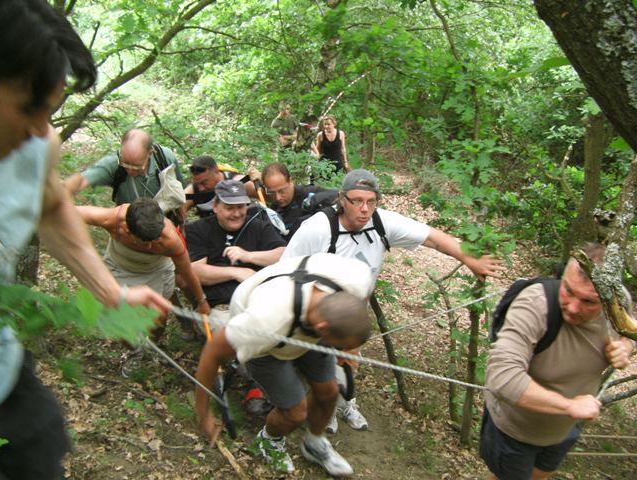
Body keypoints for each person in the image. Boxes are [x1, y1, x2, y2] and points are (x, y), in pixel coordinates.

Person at [0, 1, 170, 478]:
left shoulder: (35, 144)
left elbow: (51, 207)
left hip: (4, 376)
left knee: (41, 447)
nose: (41, 130)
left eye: (51, 112)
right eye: (30, 107)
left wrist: (111, 292)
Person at [283, 169, 503, 434]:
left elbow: (433, 237)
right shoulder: (316, 229)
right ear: (341, 199)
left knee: (349, 362)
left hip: (354, 313)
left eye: (371, 201)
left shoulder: (382, 223)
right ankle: (323, 410)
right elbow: (287, 273)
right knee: (322, 365)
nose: (364, 209)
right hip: (316, 311)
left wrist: (469, 259)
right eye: (356, 201)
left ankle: (344, 403)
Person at [195, 253, 374, 476]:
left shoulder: (355, 279)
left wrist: (348, 348)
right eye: (340, 346)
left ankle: (314, 443)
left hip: (308, 325)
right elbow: (212, 353)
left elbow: (362, 300)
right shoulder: (265, 322)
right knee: (295, 412)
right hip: (269, 344)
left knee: (329, 392)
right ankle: (269, 440)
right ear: (323, 329)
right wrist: (203, 412)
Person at [480, 244, 635, 480]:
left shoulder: (618, 299)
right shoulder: (535, 304)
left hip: (565, 428)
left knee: (541, 474)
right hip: (515, 430)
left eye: (588, 301)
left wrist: (626, 347)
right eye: (568, 290)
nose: (573, 307)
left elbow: (629, 330)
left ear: (607, 298)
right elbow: (502, 377)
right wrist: (569, 406)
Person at [187, 179, 286, 413]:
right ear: (215, 207)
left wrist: (248, 256)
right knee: (243, 337)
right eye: (230, 207)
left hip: (261, 303)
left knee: (285, 333)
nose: (237, 213)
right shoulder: (198, 230)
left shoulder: (258, 224)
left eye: (240, 206)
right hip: (221, 307)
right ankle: (261, 385)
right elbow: (195, 272)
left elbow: (282, 254)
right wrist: (235, 271)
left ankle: (270, 384)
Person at [76, 197, 210, 343]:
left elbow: (187, 271)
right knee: (120, 318)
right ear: (128, 229)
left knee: (159, 316)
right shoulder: (113, 220)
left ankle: (154, 344)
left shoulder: (170, 240)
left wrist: (202, 300)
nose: (150, 246)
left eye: (155, 241)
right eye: (144, 242)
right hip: (120, 267)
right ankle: (134, 350)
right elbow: (71, 212)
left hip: (156, 271)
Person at [63, 128, 186, 207]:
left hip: (166, 227)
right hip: (128, 230)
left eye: (137, 166)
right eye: (125, 164)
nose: (130, 170)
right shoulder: (113, 164)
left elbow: (180, 192)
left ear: (150, 153)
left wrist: (181, 219)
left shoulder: (165, 158)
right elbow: (83, 179)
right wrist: (63, 190)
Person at [261, 161, 330, 239]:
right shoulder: (273, 209)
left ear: (290, 181)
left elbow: (339, 196)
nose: (278, 198)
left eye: (282, 191)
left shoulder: (309, 194)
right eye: (272, 193)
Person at [183, 154, 258, 218]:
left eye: (204, 182)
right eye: (197, 183)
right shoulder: (193, 191)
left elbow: (267, 194)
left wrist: (261, 182)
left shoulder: (238, 182)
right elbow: (178, 206)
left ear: (216, 171)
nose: (201, 188)